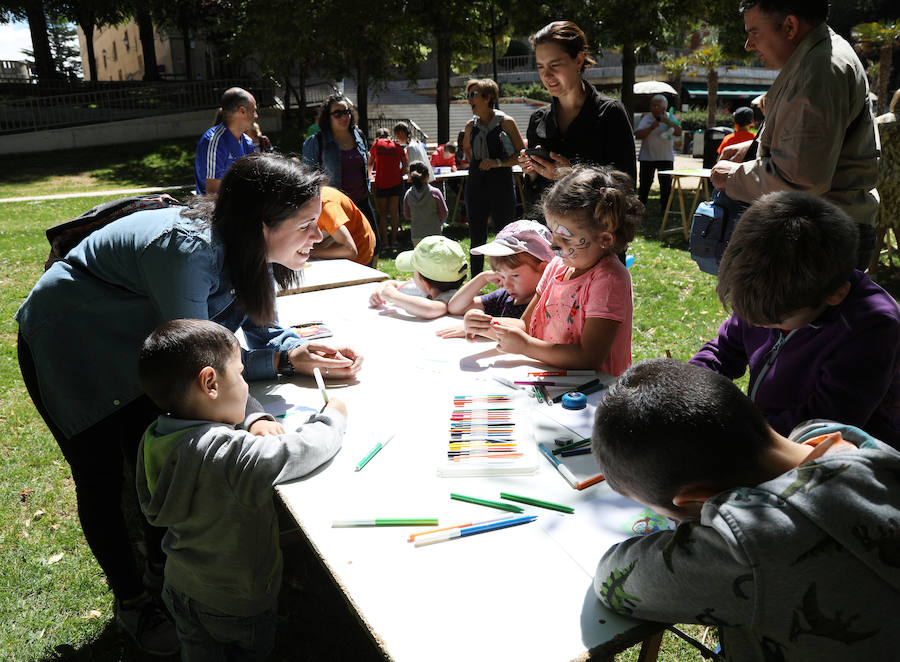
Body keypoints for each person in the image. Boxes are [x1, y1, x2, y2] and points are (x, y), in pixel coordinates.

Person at [15, 153, 364, 654]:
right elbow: (201, 368)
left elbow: (250, 324)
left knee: (149, 453)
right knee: (101, 477)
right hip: (71, 342)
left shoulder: (248, 246)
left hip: (143, 343)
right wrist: (258, 413)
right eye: (308, 225)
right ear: (261, 224)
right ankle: (136, 602)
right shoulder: (188, 252)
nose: (320, 236)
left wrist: (292, 351)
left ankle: (167, 573)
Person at [592, 358, 900, 661]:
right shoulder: (849, 443)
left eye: (671, 517)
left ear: (696, 499)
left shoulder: (746, 547)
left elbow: (613, 578)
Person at [136, 319, 345, 661]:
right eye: (241, 374)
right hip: (237, 601)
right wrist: (333, 417)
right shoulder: (228, 454)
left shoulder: (155, 436)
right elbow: (300, 452)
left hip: (179, 584)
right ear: (210, 383)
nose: (247, 387)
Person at [690, 191, 900, 448]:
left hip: (846, 456)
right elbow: (724, 351)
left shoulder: (872, 327)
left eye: (774, 322)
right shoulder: (770, 290)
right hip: (771, 437)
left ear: (835, 295)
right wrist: (688, 385)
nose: (757, 324)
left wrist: (739, 431)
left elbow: (827, 423)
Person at [711, 0, 879, 270]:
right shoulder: (820, 55)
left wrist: (732, 177)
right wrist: (753, 151)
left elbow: (801, 179)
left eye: (754, 32)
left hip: (818, 239)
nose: (748, 45)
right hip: (824, 231)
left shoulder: (819, 71)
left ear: (789, 26)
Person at [486, 166, 641, 375]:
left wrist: (527, 347)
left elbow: (590, 357)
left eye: (565, 238)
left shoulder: (609, 280)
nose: (553, 245)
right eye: (553, 233)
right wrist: (487, 325)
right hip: (553, 380)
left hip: (593, 393)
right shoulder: (557, 267)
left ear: (605, 239)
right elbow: (525, 325)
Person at [519, 21, 636, 215]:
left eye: (554, 65)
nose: (546, 75)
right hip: (549, 236)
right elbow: (534, 200)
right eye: (540, 67)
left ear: (579, 61)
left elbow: (626, 190)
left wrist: (571, 176)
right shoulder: (538, 120)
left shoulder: (610, 114)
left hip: (596, 238)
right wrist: (531, 175)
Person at [437, 220, 554, 340]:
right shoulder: (505, 297)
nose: (506, 284)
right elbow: (455, 308)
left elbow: (525, 327)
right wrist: (482, 278)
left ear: (545, 269)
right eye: (501, 276)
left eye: (514, 276)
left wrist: (481, 326)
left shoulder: (549, 303)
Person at [462, 78, 526, 275]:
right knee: (476, 236)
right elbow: (466, 148)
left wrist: (498, 163)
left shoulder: (506, 122)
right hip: (476, 184)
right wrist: (477, 164)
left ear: (487, 97)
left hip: (501, 184)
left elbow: (521, 154)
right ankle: (476, 281)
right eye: (468, 95)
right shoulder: (470, 126)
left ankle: (508, 279)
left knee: (505, 234)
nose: (469, 99)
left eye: (473, 95)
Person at [302, 95, 376, 245]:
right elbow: (308, 178)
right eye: (337, 113)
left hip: (362, 201)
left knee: (373, 245)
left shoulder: (358, 135)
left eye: (346, 111)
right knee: (345, 250)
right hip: (336, 206)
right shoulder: (316, 141)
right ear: (327, 117)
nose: (344, 116)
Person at [368, 235, 467, 319]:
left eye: (414, 270)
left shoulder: (451, 297)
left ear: (425, 283)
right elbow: (393, 284)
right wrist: (379, 291)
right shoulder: (423, 289)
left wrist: (393, 296)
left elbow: (429, 309)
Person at [194, 87, 257, 195]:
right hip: (215, 210)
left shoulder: (247, 142)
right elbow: (212, 194)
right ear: (242, 111)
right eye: (254, 110)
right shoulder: (214, 141)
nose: (256, 116)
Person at [633, 94, 682, 213]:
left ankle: (666, 209)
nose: (654, 108)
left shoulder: (670, 117)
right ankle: (641, 208)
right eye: (652, 105)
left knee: (666, 185)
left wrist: (668, 122)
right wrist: (651, 127)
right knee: (644, 185)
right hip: (647, 157)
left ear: (664, 107)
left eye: (657, 106)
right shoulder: (647, 118)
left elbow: (679, 132)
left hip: (665, 158)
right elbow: (638, 135)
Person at [309, 185, 377, 267]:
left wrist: (310, 252)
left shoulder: (326, 207)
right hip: (329, 249)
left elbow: (350, 251)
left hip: (359, 255)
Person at [872, 88, 900, 272]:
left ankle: (872, 267)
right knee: (898, 223)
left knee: (879, 224)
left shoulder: (880, 122)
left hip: (881, 177)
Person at [368, 127, 408, 251]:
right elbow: (406, 166)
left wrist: (370, 175)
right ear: (389, 136)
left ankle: (385, 242)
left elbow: (370, 163)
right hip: (395, 183)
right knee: (394, 212)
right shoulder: (397, 146)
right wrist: (398, 173)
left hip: (381, 183)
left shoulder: (376, 144)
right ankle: (394, 241)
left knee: (383, 214)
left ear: (378, 136)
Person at [404, 161, 448, 246]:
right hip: (434, 233)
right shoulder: (435, 193)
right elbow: (444, 212)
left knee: (420, 258)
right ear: (428, 176)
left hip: (417, 235)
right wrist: (439, 223)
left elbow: (407, 215)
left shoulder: (408, 195)